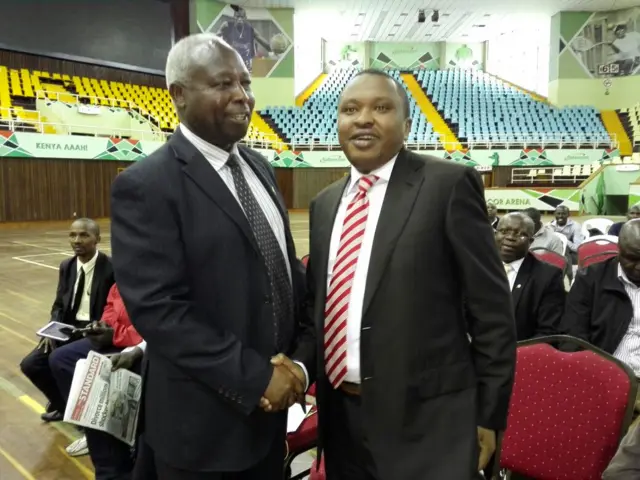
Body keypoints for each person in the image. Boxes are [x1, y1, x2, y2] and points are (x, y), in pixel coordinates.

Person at [275, 69, 516, 479]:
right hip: (342, 423)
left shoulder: (448, 185)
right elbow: (323, 311)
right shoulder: (325, 205)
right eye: (350, 109)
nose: (363, 118)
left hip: (429, 426)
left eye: (381, 108)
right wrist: (297, 367)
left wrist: (488, 414)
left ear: (406, 126)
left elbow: (492, 313)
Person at [109, 33, 312, 480]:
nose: (243, 96)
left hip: (271, 416)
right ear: (178, 95)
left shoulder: (261, 166)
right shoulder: (147, 185)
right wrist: (258, 378)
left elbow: (283, 280)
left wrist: (298, 363)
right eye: (223, 84)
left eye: (245, 82)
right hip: (203, 431)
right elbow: (161, 312)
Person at [19, 218, 114, 422]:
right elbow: (59, 305)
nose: (77, 240)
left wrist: (103, 327)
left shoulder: (111, 268)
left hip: (95, 330)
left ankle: (84, 416)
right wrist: (50, 329)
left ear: (97, 238)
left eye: (84, 235)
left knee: (59, 359)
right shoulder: (67, 266)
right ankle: (64, 407)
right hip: (69, 328)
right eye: (72, 235)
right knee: (31, 364)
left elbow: (116, 309)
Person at [50, 284, 143, 478]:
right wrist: (104, 326)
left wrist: (116, 335)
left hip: (136, 345)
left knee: (108, 376)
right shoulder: (122, 277)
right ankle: (90, 424)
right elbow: (110, 307)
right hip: (115, 337)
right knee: (61, 359)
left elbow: (153, 326)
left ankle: (115, 458)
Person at [562, 219, 640, 375]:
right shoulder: (590, 279)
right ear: (619, 250)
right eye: (632, 258)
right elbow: (572, 337)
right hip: (605, 374)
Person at [496, 213, 565, 340]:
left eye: (520, 234)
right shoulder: (476, 267)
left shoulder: (548, 276)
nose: (510, 237)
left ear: (531, 242)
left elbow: (548, 330)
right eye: (504, 231)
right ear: (495, 234)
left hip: (520, 351)